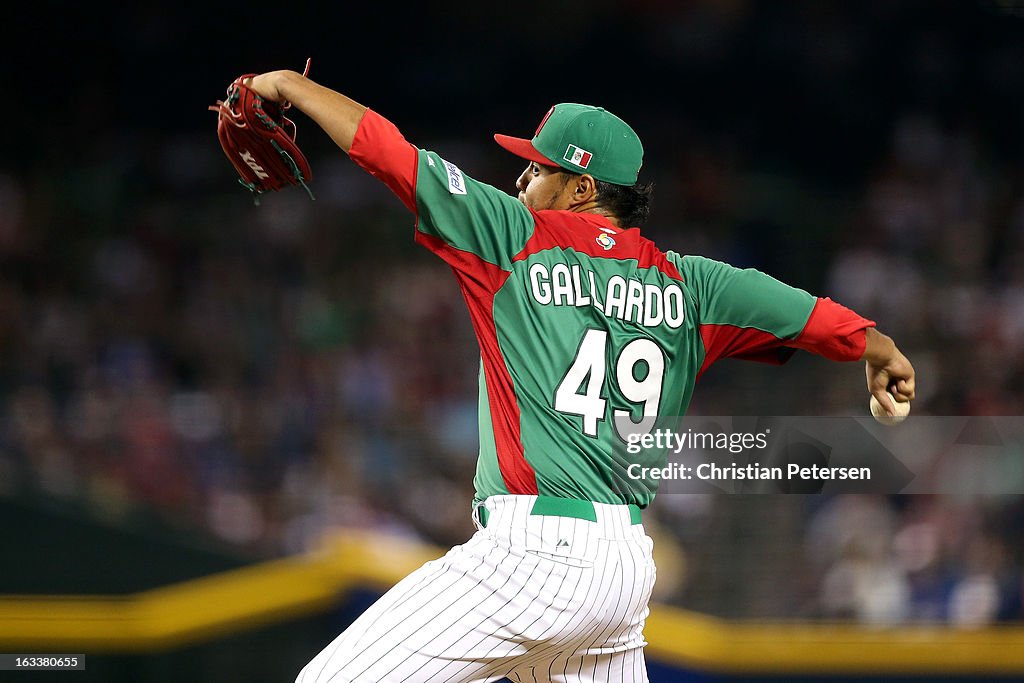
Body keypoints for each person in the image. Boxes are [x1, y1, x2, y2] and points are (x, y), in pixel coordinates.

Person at [243, 69, 916, 683]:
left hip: (529, 555)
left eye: (536, 169)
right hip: (621, 570)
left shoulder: (514, 236)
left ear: (582, 187)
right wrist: (878, 347)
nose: (520, 182)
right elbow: (804, 314)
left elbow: (385, 148)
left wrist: (290, 87)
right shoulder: (694, 285)